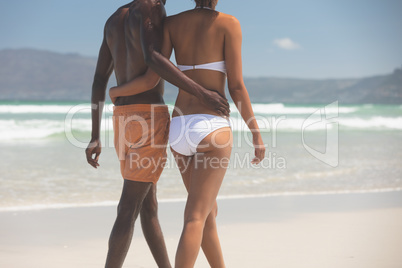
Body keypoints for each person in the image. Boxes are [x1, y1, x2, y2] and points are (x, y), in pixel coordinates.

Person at [110, 0, 266, 267]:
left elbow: (152, 77)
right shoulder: (229, 23)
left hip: (179, 129)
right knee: (195, 216)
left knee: (208, 213)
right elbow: (237, 87)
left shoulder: (172, 24)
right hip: (211, 128)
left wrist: (115, 92)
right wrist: (256, 133)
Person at [85, 1, 230, 267]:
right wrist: (203, 93)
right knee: (128, 207)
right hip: (148, 119)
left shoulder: (114, 19)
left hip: (122, 118)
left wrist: (95, 134)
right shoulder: (151, 8)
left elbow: (98, 80)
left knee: (148, 205)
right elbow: (154, 60)